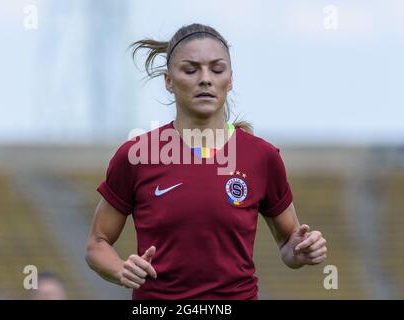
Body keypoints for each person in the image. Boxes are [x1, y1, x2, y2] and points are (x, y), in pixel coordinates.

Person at [85, 23, 327, 300]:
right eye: (190, 70)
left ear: (231, 79)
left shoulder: (262, 157)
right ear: (168, 81)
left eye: (217, 69)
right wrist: (120, 269)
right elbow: (97, 244)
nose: (205, 79)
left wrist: (300, 250)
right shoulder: (137, 155)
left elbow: (288, 243)